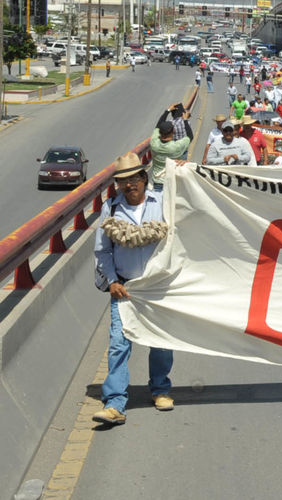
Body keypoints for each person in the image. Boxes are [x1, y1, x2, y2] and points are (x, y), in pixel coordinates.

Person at [91, 153, 174, 425]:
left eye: (134, 179)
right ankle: (115, 403)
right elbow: (102, 251)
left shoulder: (162, 203)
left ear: (143, 178)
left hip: (156, 287)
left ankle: (160, 389)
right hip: (124, 288)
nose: (129, 185)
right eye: (123, 181)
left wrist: (185, 170)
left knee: (160, 342)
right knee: (118, 344)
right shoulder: (111, 209)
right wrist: (113, 280)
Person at [149, 114, 193, 191]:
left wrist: (167, 111)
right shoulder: (176, 147)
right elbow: (190, 136)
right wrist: (185, 120)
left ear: (160, 133)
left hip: (157, 182)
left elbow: (158, 125)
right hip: (172, 182)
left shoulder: (154, 143)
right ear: (174, 131)